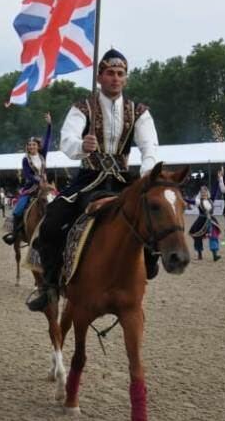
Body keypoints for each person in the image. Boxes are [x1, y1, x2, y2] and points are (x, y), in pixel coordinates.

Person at [27, 49, 159, 312]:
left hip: (123, 178)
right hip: (89, 178)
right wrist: (81, 146)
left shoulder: (139, 112)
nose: (115, 78)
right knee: (51, 220)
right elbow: (66, 141)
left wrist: (147, 176)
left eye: (120, 74)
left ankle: (150, 264)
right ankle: (51, 285)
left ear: (126, 78)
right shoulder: (82, 108)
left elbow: (150, 147)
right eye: (110, 73)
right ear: (99, 76)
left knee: (155, 217)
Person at [3, 112, 52, 245]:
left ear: (38, 146)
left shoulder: (43, 155)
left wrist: (49, 125)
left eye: (34, 145)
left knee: (57, 203)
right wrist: (38, 181)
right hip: (31, 188)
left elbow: (47, 139)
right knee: (18, 210)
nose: (31, 147)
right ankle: (15, 233)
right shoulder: (26, 159)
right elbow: (27, 174)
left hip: (45, 187)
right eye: (29, 145)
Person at [189, 186, 222, 261]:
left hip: (211, 220)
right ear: (200, 193)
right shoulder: (198, 202)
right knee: (198, 238)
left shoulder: (211, 200)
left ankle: (215, 255)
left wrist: (219, 179)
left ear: (207, 193)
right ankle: (200, 254)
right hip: (201, 221)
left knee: (214, 236)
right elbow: (189, 201)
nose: (203, 193)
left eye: (205, 192)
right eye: (202, 192)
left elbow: (215, 190)